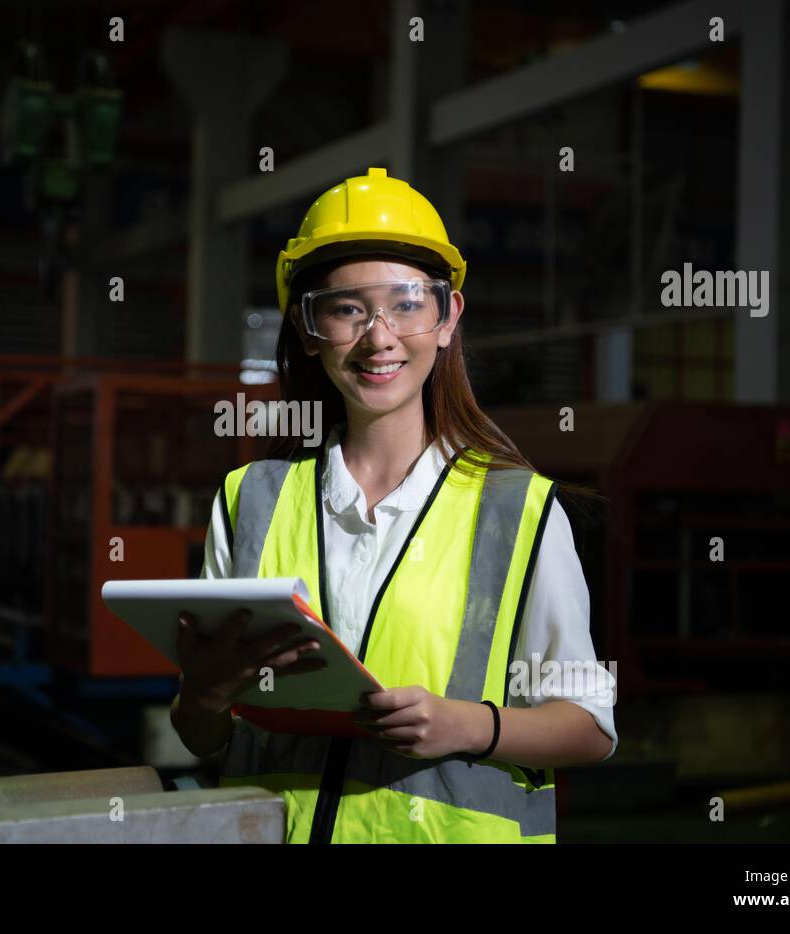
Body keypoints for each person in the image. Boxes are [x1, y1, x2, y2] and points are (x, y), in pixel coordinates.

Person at [170, 167, 616, 844]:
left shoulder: (516, 513)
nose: (380, 336)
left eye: (408, 303)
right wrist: (201, 696)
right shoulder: (250, 503)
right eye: (348, 308)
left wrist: (468, 725)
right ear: (309, 326)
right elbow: (203, 737)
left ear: (448, 319)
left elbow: (590, 726)